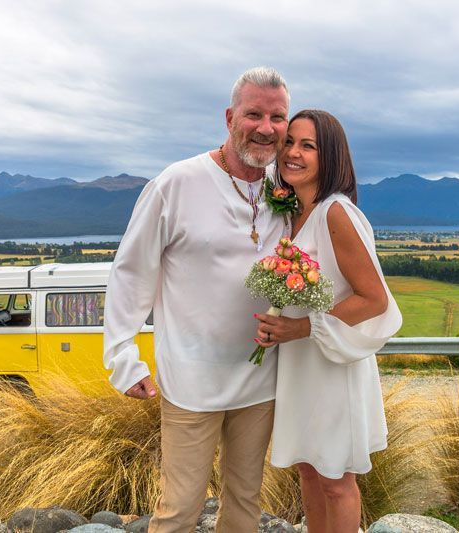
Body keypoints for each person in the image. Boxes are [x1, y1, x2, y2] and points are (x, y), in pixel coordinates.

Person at [103, 67, 290, 533]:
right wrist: (123, 358)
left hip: (260, 379)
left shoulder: (286, 190)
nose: (266, 128)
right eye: (254, 114)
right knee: (180, 509)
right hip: (191, 379)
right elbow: (131, 272)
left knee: (245, 504)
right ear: (229, 117)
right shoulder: (176, 183)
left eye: (277, 116)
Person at [254, 109, 402, 533]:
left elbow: (374, 299)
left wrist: (300, 328)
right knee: (308, 469)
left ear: (331, 155)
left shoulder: (336, 213)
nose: (292, 153)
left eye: (308, 146)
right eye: (289, 143)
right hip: (301, 363)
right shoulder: (293, 213)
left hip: (332, 364)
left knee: (336, 479)